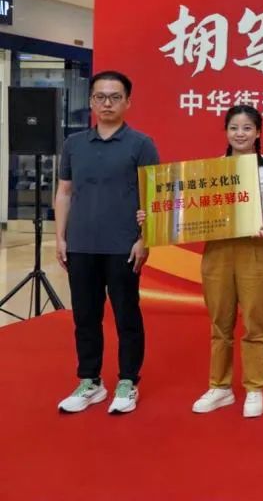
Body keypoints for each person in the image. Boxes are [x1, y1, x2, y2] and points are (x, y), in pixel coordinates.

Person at [55, 70, 159, 415]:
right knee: (85, 317)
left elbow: (153, 198)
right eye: (100, 97)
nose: (107, 103)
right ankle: (90, 381)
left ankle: (128, 381)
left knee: (127, 315)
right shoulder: (74, 144)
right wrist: (60, 237)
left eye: (115, 97)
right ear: (90, 102)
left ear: (128, 102)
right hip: (81, 244)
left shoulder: (141, 144)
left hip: (123, 246)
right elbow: (65, 192)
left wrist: (144, 239)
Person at [190, 105, 263, 418]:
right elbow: (196, 208)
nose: (240, 134)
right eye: (234, 128)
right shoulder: (212, 169)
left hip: (254, 248)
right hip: (217, 249)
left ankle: (254, 388)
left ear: (258, 132)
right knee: (220, 321)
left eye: (247, 128)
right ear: (226, 131)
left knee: (256, 319)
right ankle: (220, 387)